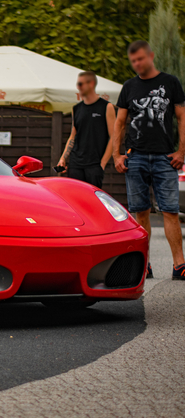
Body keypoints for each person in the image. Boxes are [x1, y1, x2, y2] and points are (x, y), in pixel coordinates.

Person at [112, 40, 185, 280]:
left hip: (165, 158)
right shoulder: (129, 87)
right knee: (140, 213)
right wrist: (116, 154)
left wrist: (181, 151)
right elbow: (120, 122)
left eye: (141, 59)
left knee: (170, 211)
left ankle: (179, 266)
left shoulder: (171, 82)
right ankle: (144, 265)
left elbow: (182, 118)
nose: (137, 64)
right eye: (133, 61)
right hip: (136, 157)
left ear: (151, 56)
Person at [57, 71, 116, 187]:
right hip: (75, 163)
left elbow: (114, 137)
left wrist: (102, 163)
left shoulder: (106, 107)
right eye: (78, 84)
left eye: (81, 84)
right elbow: (73, 136)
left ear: (91, 84)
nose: (78, 87)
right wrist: (63, 158)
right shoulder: (76, 108)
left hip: (94, 164)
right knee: (74, 198)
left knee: (92, 200)